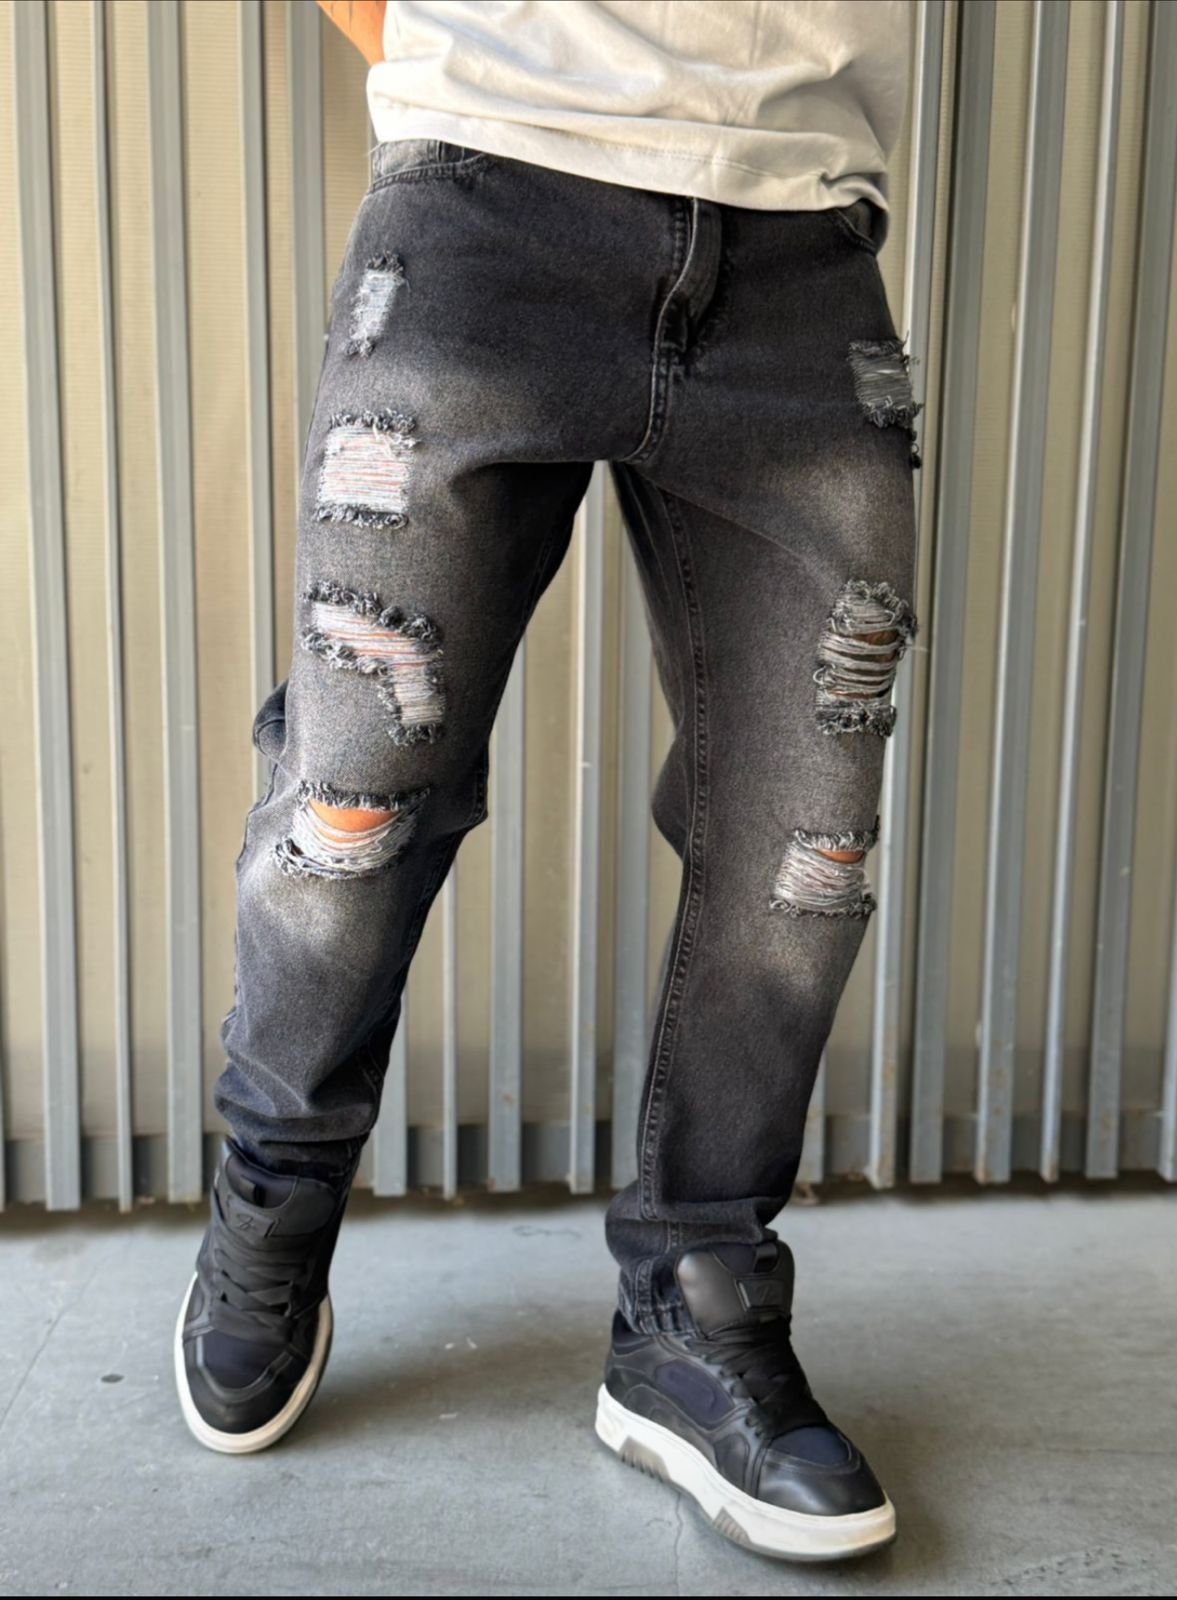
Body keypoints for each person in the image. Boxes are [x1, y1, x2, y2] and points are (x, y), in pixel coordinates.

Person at [175, 0, 917, 1564]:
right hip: (482, 209)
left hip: (796, 247)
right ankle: (273, 1202)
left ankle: (694, 1312)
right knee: (356, 796)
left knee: (805, 847)